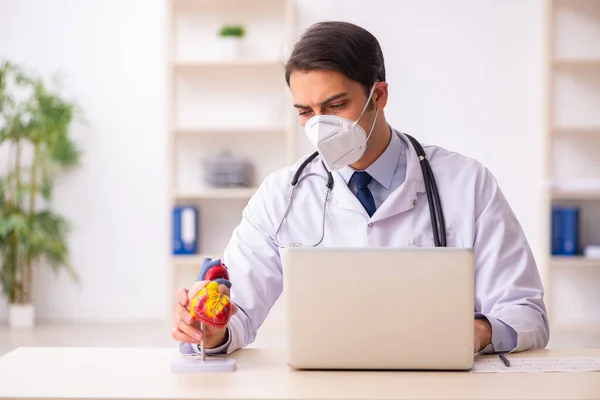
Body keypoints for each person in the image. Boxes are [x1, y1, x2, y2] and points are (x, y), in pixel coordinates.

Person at [173, 21, 549, 356]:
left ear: (379, 96)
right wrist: (210, 330)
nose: (320, 125)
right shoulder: (281, 196)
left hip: (441, 383)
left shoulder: (466, 183)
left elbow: (526, 312)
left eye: (336, 105)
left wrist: (477, 332)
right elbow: (233, 314)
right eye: (305, 111)